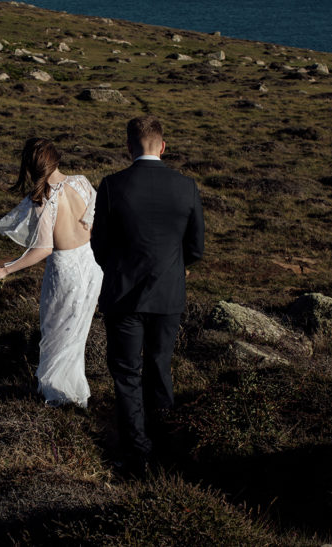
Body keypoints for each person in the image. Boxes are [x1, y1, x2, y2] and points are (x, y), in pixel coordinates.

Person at [90, 115, 204, 476]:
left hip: (123, 296)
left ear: (128, 146)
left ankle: (138, 454)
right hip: (168, 296)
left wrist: (118, 270)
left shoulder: (111, 185)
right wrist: (178, 268)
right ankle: (167, 446)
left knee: (126, 374)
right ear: (163, 145)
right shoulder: (186, 187)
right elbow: (197, 246)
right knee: (160, 368)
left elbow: (99, 244)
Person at [0, 138, 103, 408]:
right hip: (91, 264)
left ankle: (60, 395)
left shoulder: (44, 198)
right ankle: (74, 391)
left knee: (57, 331)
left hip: (66, 269)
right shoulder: (81, 182)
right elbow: (97, 223)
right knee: (76, 330)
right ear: (56, 159)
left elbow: (43, 249)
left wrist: (6, 270)